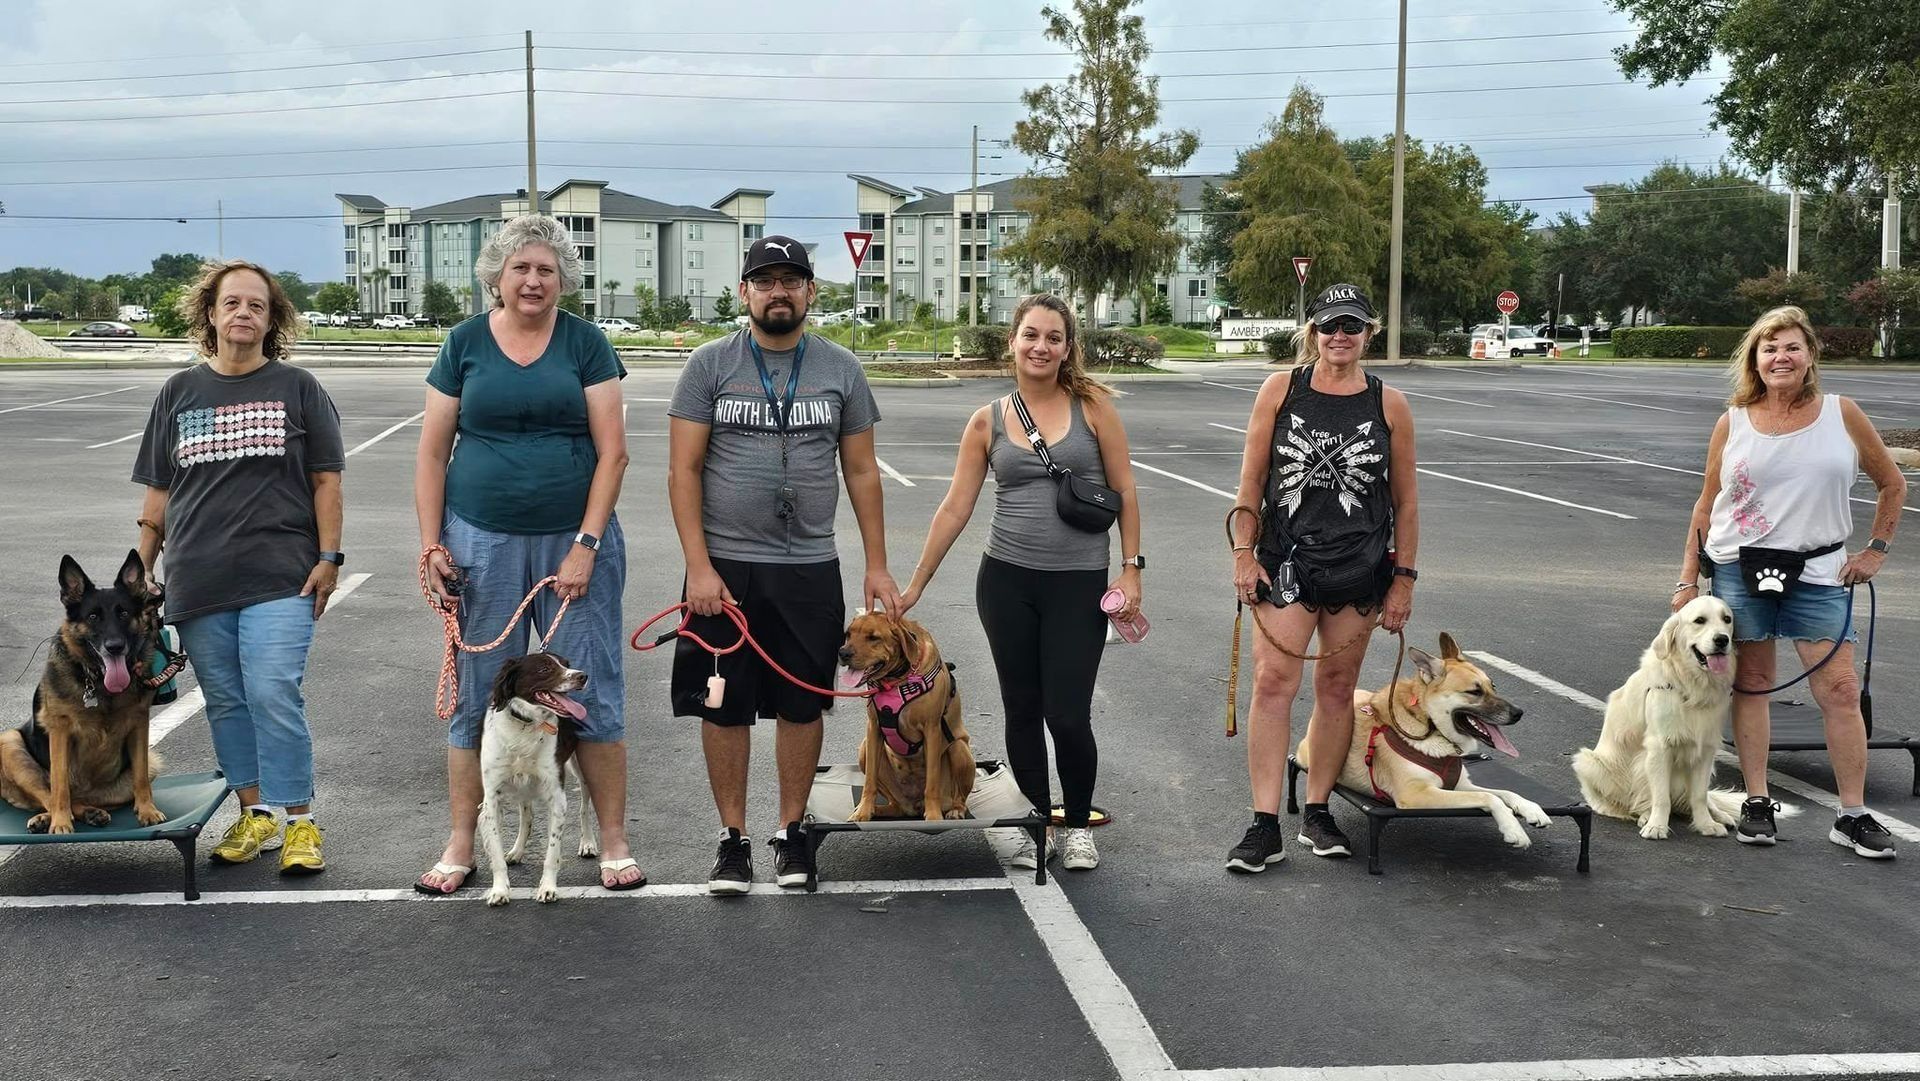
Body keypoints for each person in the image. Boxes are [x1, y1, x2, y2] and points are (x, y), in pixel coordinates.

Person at [413, 214, 641, 894]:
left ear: (563, 279)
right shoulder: (463, 344)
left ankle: (615, 841)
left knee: (588, 688)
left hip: (576, 542)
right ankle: (462, 841)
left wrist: (586, 543)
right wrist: (432, 543)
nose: (534, 280)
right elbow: (430, 452)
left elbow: (614, 451)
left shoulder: (586, 343)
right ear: (497, 276)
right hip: (480, 538)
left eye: (546, 270)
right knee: (479, 697)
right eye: (521, 268)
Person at [668, 235, 901, 894]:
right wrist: (698, 567)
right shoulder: (709, 366)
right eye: (764, 281)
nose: (778, 292)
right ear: (744, 292)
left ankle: (792, 832)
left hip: (807, 568)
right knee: (723, 703)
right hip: (725, 572)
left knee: (804, 701)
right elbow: (682, 471)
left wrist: (877, 564)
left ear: (810, 292)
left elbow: (861, 470)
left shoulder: (840, 369)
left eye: (791, 281)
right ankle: (733, 839)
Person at [898, 293, 1142, 871]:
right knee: (1022, 709)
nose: (1041, 346)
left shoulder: (1095, 408)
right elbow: (956, 508)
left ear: (1068, 347)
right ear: (1013, 340)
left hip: (1078, 585)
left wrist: (1132, 569)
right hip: (1006, 582)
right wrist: (914, 586)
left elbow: (1126, 492)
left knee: (1067, 713)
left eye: (1053, 337)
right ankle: (1035, 820)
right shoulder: (987, 419)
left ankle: (1076, 826)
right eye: (1031, 334)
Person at [132, 259, 344, 874]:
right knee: (226, 700)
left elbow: (326, 481)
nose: (243, 314)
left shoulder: (298, 387)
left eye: (257, 305)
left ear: (272, 318)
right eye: (232, 303)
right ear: (210, 313)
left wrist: (330, 556)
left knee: (274, 689)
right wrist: (141, 573)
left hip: (283, 571)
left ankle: (300, 823)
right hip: (198, 576)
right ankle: (253, 816)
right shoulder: (178, 392)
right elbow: (158, 495)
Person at [1674, 305, 1905, 859]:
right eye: (1769, 347)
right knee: (1752, 684)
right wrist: (1687, 579)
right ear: (1755, 358)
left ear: (1810, 357)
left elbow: (1892, 483)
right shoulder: (1733, 420)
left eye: (1792, 347)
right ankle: (1758, 803)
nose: (1781, 356)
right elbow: (1708, 502)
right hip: (1738, 569)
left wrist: (1875, 551)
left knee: (1840, 690)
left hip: (1820, 572)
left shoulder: (1841, 414)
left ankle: (1851, 813)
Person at [1224, 282, 1419, 872]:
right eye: (1330, 325)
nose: (1341, 336)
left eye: (1353, 326)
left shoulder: (1389, 404)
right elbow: (1252, 482)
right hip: (1287, 560)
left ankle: (1317, 811)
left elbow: (1406, 502)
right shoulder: (1280, 390)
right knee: (1273, 683)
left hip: (1360, 569)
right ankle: (1263, 824)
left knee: (1337, 691)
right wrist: (1242, 552)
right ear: (1313, 330)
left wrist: (1403, 579)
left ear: (1367, 334)